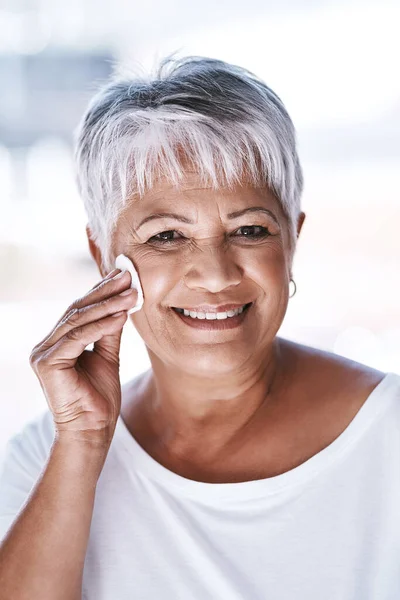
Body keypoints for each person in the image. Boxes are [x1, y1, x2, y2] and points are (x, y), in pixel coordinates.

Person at [0, 55, 399, 600]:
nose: (214, 275)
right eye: (166, 236)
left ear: (292, 241)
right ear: (103, 254)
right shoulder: (44, 458)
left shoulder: (389, 437)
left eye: (250, 229)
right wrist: (83, 441)